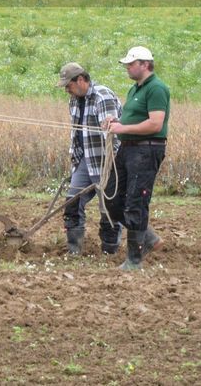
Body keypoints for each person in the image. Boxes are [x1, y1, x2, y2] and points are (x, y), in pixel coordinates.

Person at [103, 46, 169, 270]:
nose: (128, 68)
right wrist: (115, 121)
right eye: (127, 64)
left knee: (135, 202)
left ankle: (134, 259)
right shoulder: (134, 90)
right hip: (128, 148)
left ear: (145, 64)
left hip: (146, 150)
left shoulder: (157, 89)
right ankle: (148, 238)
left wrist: (123, 128)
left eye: (131, 64)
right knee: (111, 198)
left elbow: (155, 124)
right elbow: (129, 118)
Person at [56, 62, 122, 256]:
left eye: (69, 85)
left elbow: (112, 137)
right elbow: (76, 133)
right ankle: (74, 250)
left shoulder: (103, 97)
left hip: (108, 162)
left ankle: (109, 253)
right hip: (86, 160)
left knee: (108, 209)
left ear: (82, 80)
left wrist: (114, 168)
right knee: (72, 202)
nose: (67, 90)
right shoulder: (74, 101)